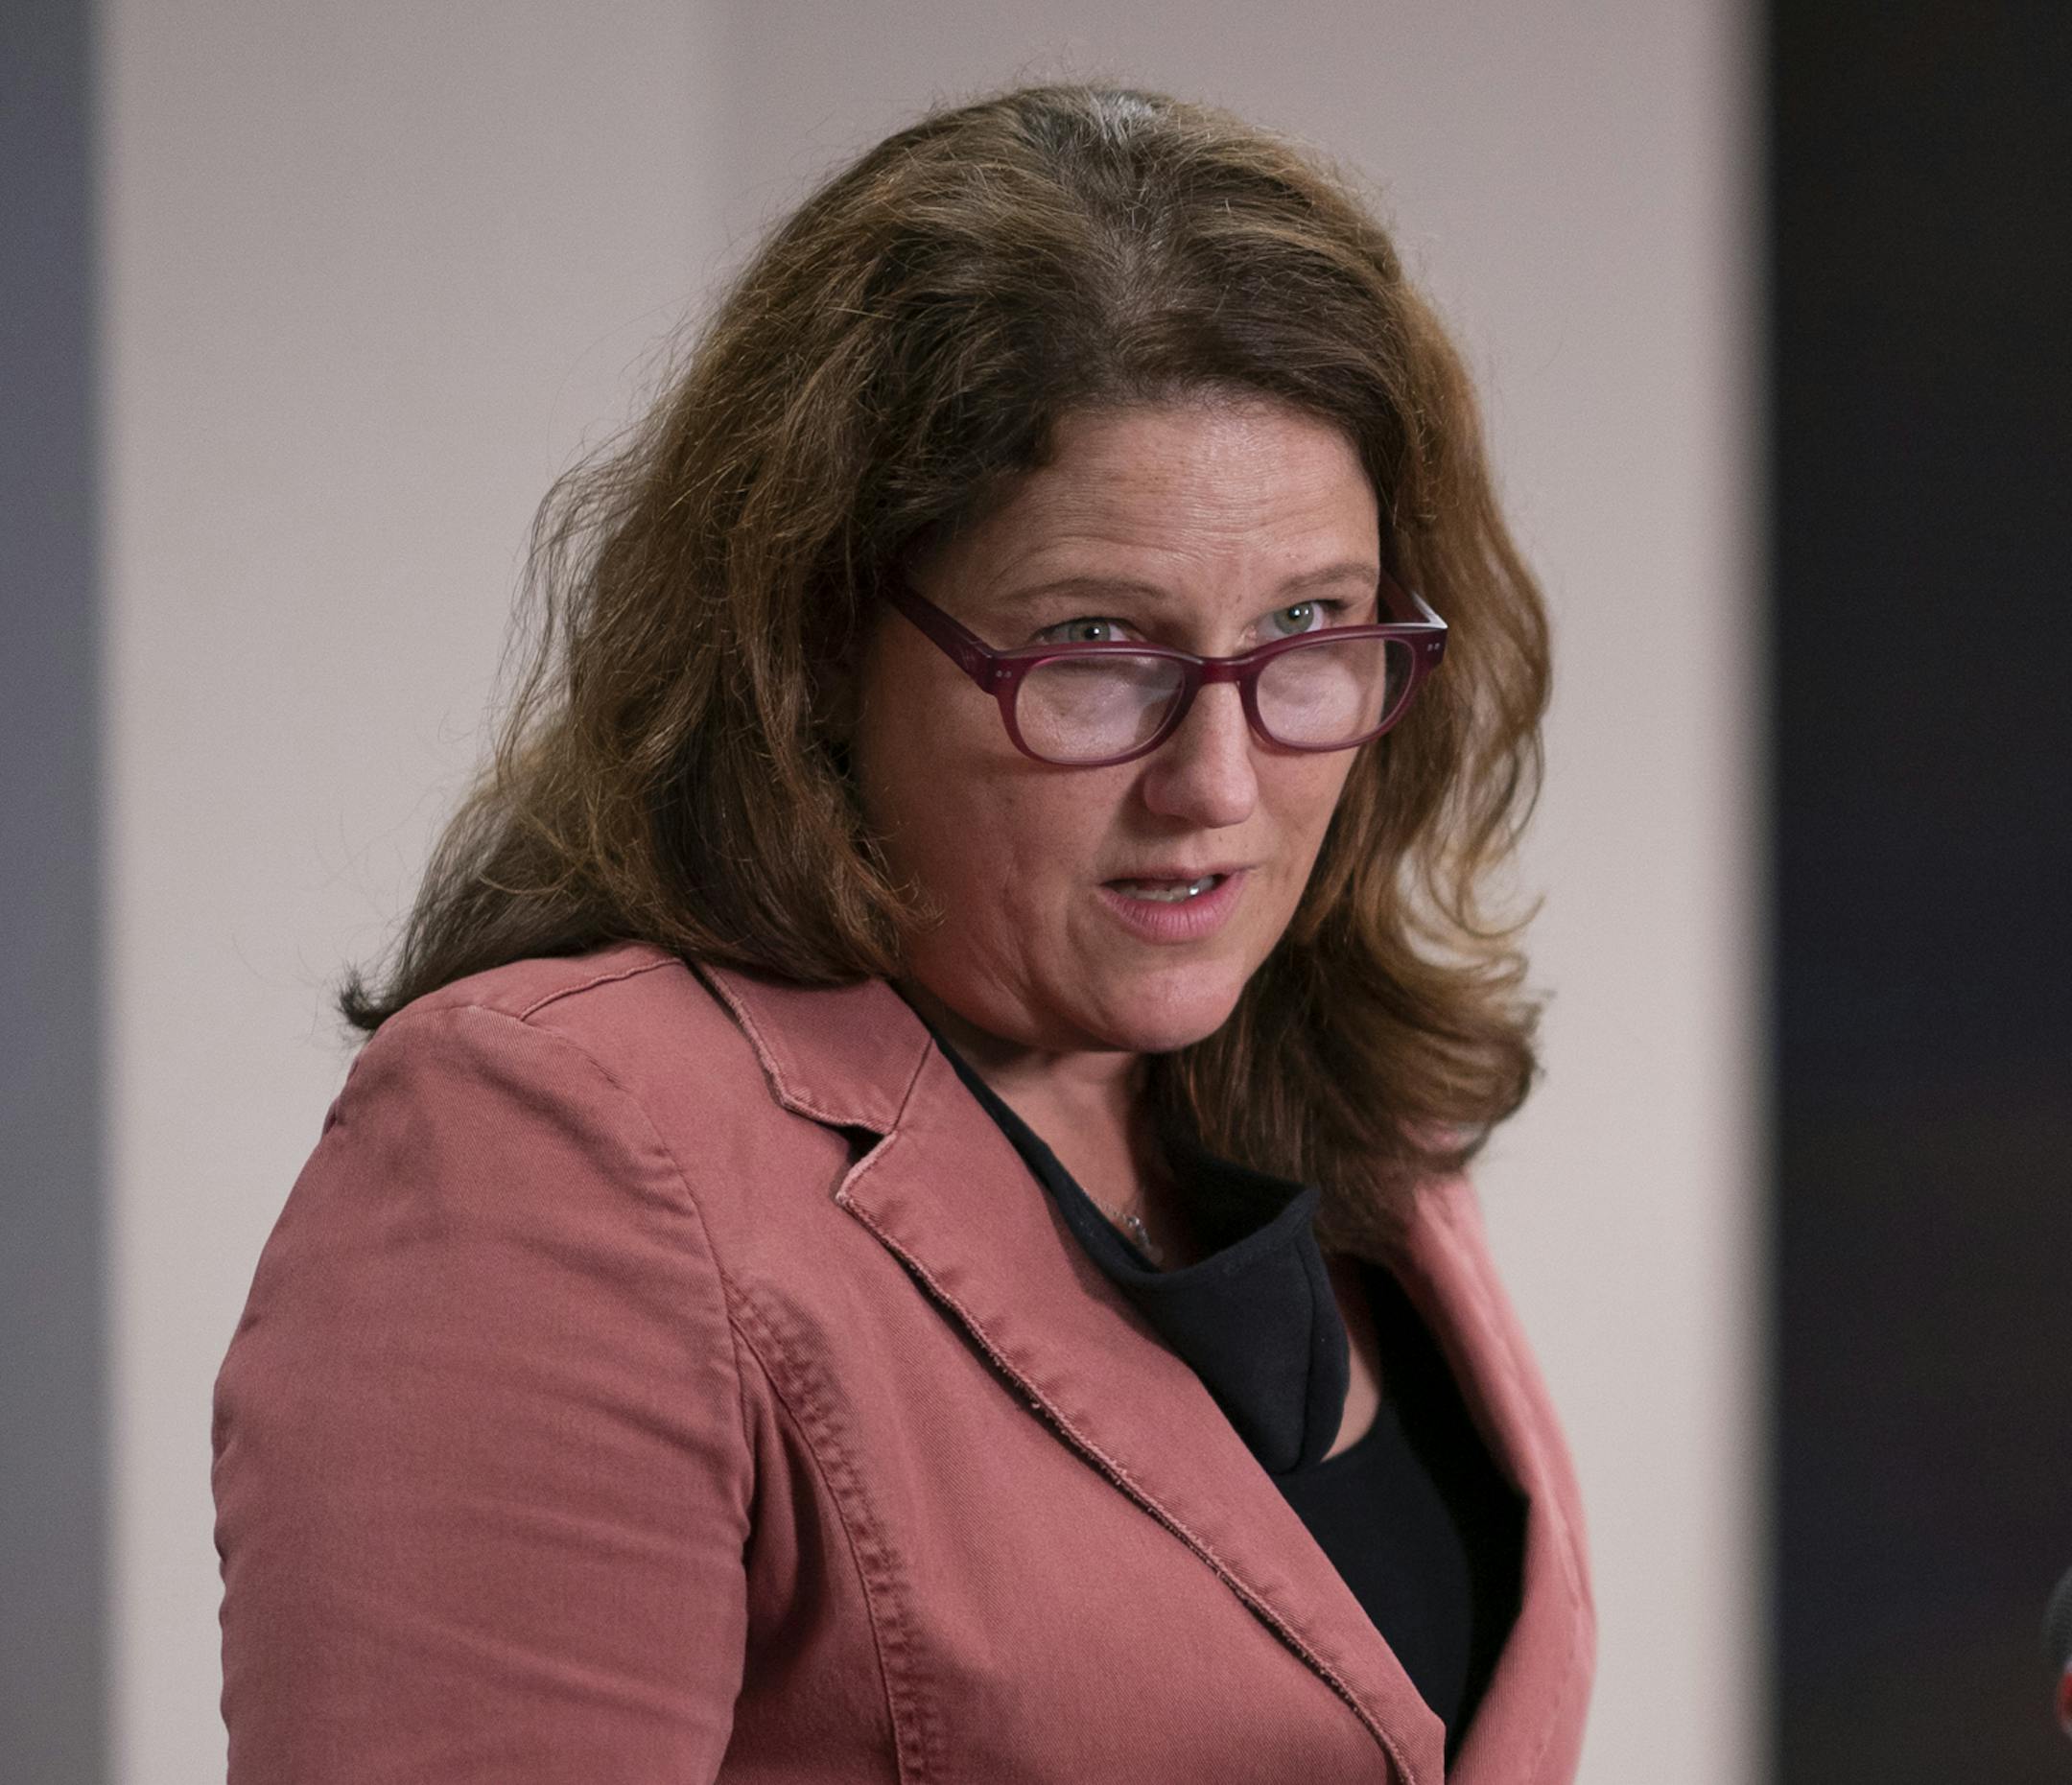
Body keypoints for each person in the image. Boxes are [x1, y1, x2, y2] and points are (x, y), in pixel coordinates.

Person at [212, 83, 1592, 1783]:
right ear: (815, 647)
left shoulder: (1321, 1090)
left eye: (1309, 627)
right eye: (1098, 646)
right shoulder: (555, 1149)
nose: (1219, 781)